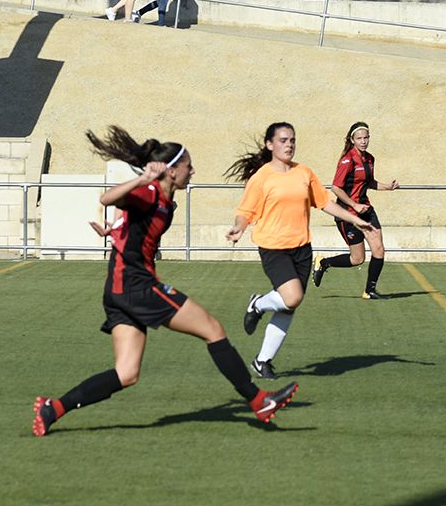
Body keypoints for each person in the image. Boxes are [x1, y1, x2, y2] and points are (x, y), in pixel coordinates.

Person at [32, 126, 297, 437]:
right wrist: (142, 180)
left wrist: (116, 230)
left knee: (127, 373)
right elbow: (107, 197)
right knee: (213, 329)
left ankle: (53, 409)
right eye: (188, 166)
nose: (193, 171)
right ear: (172, 171)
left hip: (118, 290)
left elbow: (132, 221)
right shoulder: (150, 192)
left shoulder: (167, 202)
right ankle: (258, 400)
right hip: (136, 287)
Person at [224, 122, 376, 380]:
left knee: (288, 306)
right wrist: (238, 228)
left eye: (292, 140)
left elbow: (325, 202)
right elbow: (245, 211)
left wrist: (353, 219)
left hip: (302, 248)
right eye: (283, 140)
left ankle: (263, 361)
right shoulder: (262, 177)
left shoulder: (304, 173)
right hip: (273, 247)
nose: (289, 145)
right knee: (292, 297)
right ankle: (258, 304)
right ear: (270, 145)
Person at [311, 121, 400, 300]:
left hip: (366, 210)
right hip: (347, 214)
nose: (363, 141)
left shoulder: (369, 159)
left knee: (379, 250)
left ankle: (369, 291)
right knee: (357, 259)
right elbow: (336, 188)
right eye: (359, 138)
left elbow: (369, 182)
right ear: (352, 140)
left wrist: (387, 187)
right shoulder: (347, 160)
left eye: (366, 137)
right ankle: (324, 262)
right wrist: (354, 204)